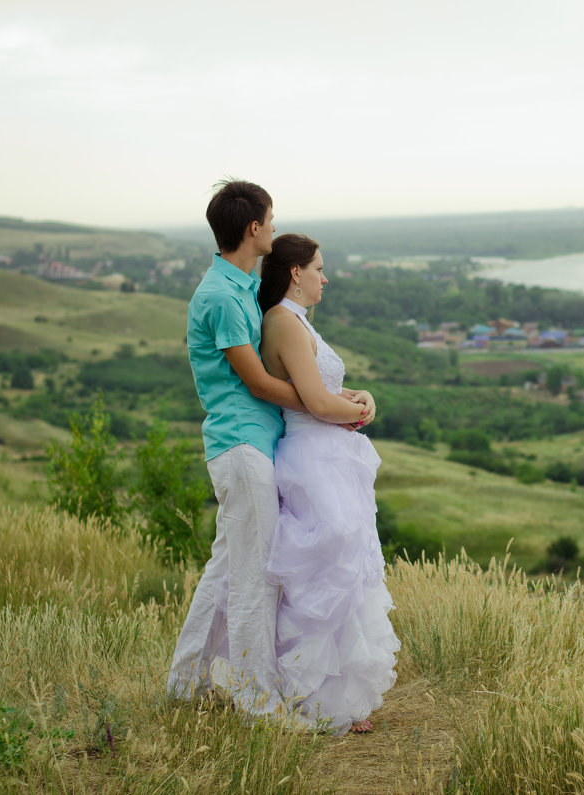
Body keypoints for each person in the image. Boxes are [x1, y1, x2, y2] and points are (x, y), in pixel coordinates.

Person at [167, 180, 372, 720]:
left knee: (225, 571)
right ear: (253, 227)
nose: (275, 228)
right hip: (240, 444)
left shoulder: (240, 286)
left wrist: (324, 398)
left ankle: (185, 683)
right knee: (255, 578)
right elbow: (257, 382)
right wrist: (321, 403)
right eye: (271, 219)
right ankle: (257, 702)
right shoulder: (220, 296)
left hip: (254, 444)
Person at [257, 233, 400, 734]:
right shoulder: (283, 320)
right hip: (311, 454)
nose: (325, 276)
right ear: (295, 272)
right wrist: (358, 411)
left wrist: (358, 397)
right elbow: (316, 404)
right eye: (319, 267)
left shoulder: (296, 322)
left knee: (347, 564)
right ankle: (310, 694)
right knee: (325, 562)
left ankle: (340, 695)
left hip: (330, 453)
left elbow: (318, 390)